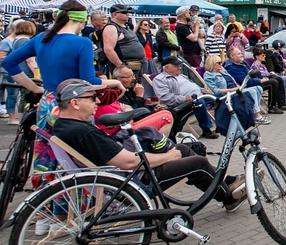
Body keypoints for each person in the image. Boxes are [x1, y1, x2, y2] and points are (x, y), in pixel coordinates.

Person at [51, 79, 246, 213]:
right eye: (93, 98)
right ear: (75, 103)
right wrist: (168, 157)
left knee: (185, 150)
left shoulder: (65, 126)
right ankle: (228, 197)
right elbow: (127, 162)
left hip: (120, 177)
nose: (98, 101)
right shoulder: (84, 132)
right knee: (197, 162)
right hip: (133, 182)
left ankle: (226, 183)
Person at [2, 0, 125, 184]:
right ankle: (72, 203)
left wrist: (35, 88)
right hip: (74, 104)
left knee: (46, 153)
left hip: (48, 102)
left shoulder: (41, 39)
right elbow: (88, 81)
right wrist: (115, 82)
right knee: (76, 157)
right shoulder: (81, 42)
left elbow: (8, 62)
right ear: (81, 21)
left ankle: (42, 200)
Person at [153, 56, 218, 139]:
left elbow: (192, 85)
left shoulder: (181, 76)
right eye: (176, 66)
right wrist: (184, 98)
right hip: (183, 103)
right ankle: (206, 129)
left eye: (179, 66)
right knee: (199, 103)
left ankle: (221, 125)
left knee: (221, 98)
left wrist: (202, 90)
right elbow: (166, 98)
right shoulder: (160, 79)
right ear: (166, 67)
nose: (179, 67)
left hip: (199, 95)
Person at [204, 54, 269, 125]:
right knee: (252, 91)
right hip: (227, 94)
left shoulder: (223, 71)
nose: (221, 64)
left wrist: (238, 86)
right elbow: (216, 90)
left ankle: (253, 111)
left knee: (258, 88)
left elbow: (233, 81)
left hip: (236, 89)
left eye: (221, 62)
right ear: (213, 64)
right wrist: (234, 89)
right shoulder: (209, 75)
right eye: (219, 63)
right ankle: (256, 116)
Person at [0, 20, 38, 125]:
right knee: (26, 97)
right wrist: (36, 71)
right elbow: (29, 59)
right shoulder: (25, 41)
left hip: (18, 70)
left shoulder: (15, 40)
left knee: (20, 96)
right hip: (27, 72)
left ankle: (18, 118)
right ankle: (23, 120)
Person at [101, 4, 146, 80]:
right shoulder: (111, 28)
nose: (127, 14)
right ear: (114, 14)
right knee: (126, 90)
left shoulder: (126, 27)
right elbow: (108, 50)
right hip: (124, 68)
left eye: (127, 12)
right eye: (124, 12)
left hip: (136, 66)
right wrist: (121, 67)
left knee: (136, 90)